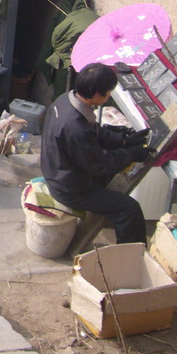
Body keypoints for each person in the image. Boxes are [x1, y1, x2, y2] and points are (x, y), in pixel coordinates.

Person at [41, 63, 153, 244]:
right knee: (129, 209)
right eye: (108, 93)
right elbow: (100, 165)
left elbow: (94, 132)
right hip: (69, 189)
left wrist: (123, 140)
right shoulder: (75, 127)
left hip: (58, 170)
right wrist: (131, 154)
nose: (109, 97)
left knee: (116, 161)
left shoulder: (66, 100)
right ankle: (131, 257)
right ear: (95, 93)